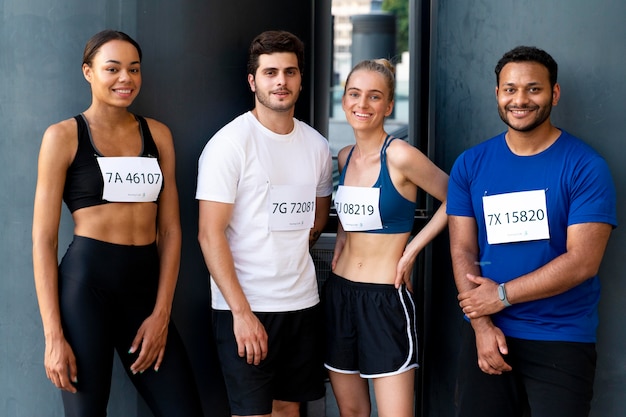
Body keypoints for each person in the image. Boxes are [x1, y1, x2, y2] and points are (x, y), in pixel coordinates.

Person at [32, 30, 203, 416]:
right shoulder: (62, 136)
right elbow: (43, 240)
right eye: (112, 68)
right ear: (88, 72)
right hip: (85, 289)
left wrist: (162, 314)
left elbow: (171, 230)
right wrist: (53, 337)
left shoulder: (157, 134)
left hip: (145, 291)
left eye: (134, 69)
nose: (125, 78)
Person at [447, 46, 617, 417]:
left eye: (533, 89)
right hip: (487, 335)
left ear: (554, 93)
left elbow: (582, 262)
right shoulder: (470, 164)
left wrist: (503, 295)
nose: (520, 100)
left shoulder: (586, 166)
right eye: (509, 89)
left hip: (560, 339)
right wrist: (480, 323)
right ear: (497, 94)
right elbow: (462, 249)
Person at [196, 30, 332, 417]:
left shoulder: (317, 146)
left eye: (290, 72)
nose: (281, 81)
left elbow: (316, 219)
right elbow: (209, 233)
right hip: (245, 308)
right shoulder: (229, 144)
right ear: (253, 81)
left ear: (301, 80)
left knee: (289, 409)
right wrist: (241, 313)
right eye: (270, 72)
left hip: (301, 303)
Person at [324, 59, 449, 417]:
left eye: (374, 97)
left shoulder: (400, 156)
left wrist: (412, 250)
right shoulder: (345, 157)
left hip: (385, 298)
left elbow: (457, 195)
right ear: (344, 99)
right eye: (354, 94)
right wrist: (345, 236)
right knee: (351, 411)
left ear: (389, 105)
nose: (362, 105)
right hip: (340, 293)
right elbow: (351, 209)